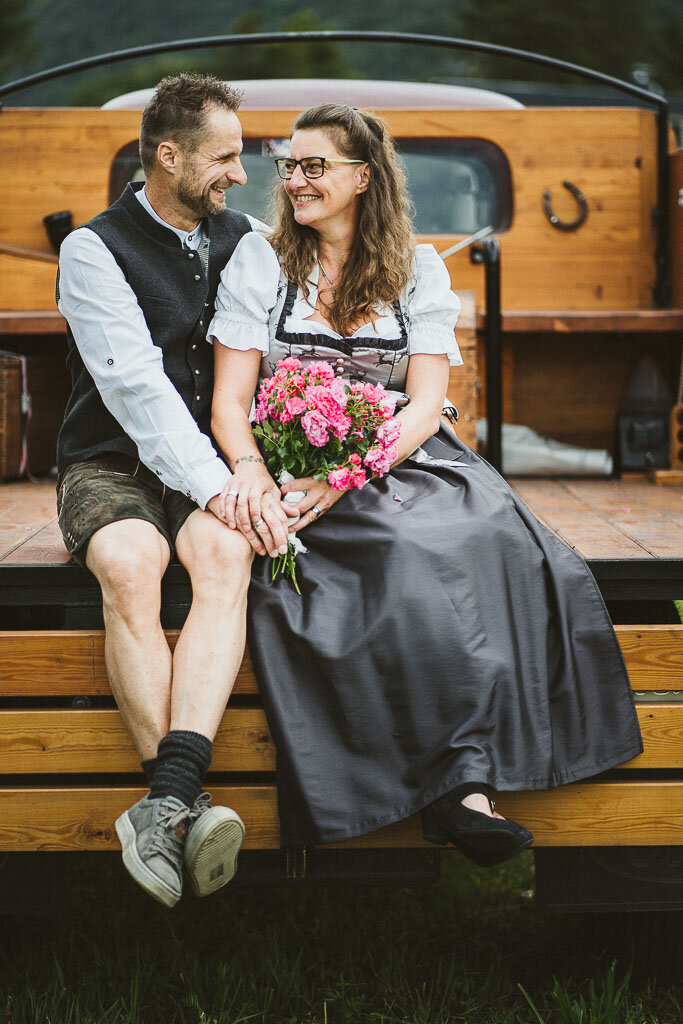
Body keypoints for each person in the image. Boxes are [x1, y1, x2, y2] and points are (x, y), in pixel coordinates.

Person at [209, 103, 643, 866]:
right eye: (290, 166)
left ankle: (464, 789)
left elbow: (420, 409)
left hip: (398, 460)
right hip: (287, 467)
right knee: (395, 562)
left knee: (478, 541)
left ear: (362, 178)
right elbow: (228, 403)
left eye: (316, 166)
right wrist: (260, 474)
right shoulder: (261, 260)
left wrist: (342, 477)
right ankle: (457, 789)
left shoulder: (418, 265)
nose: (297, 181)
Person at [55, 73, 290, 907]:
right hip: (110, 460)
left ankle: (161, 806)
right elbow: (136, 390)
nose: (239, 172)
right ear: (167, 155)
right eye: (224, 157)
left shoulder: (250, 239)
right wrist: (224, 486)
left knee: (224, 559)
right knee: (129, 562)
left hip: (212, 466)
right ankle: (187, 799)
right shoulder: (92, 249)